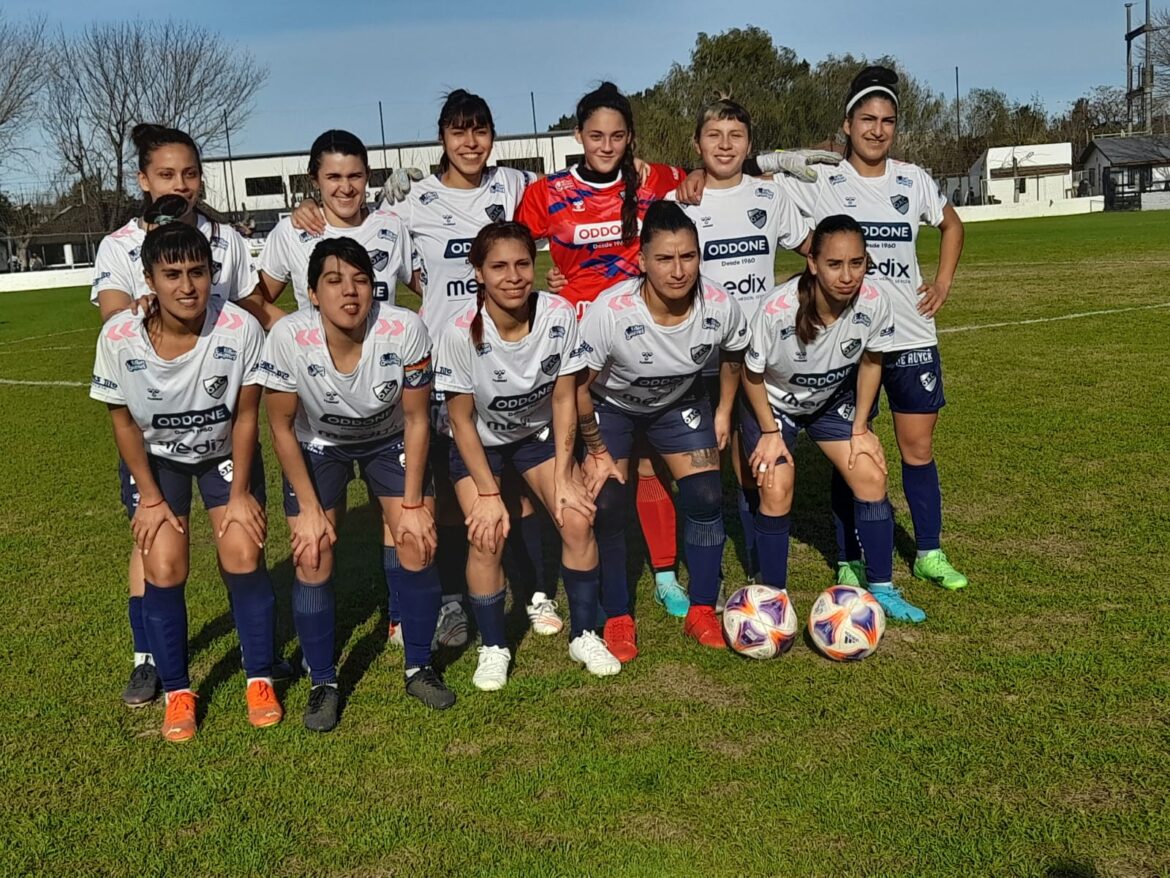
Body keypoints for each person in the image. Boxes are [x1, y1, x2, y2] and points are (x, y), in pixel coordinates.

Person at [291, 94, 554, 648]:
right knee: (447, 484)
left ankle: (532, 588)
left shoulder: (514, 187)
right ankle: (454, 599)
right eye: (459, 132)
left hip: (505, 353)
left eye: (481, 130)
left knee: (517, 486)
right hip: (442, 364)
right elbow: (405, 272)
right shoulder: (409, 206)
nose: (471, 142)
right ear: (442, 138)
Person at [771, 66, 968, 607]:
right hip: (847, 343)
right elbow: (752, 177)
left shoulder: (914, 179)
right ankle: (849, 558)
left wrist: (943, 280)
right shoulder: (823, 179)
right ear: (847, 124)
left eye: (887, 121)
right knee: (853, 448)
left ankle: (928, 550)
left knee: (917, 449)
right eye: (867, 119)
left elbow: (952, 225)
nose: (877, 130)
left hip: (909, 334)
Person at [90, 123, 262, 707]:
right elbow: (117, 317)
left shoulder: (225, 239)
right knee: (154, 542)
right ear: (143, 180)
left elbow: (247, 305)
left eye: (190, 174)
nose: (180, 185)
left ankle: (258, 658)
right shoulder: (119, 244)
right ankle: (150, 660)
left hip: (215, 410)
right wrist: (149, 308)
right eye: (166, 174)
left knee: (240, 542)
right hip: (158, 420)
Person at [515, 81, 693, 616]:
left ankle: (663, 574)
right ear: (578, 136)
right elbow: (514, 250)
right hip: (573, 345)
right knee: (558, 461)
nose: (607, 145)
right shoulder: (547, 192)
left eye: (617, 136)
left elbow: (701, 176)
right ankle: (549, 584)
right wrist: (547, 282)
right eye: (596, 135)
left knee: (641, 464)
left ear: (630, 138)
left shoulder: (650, 180)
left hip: (638, 339)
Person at [259, 237, 452, 727]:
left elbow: (416, 419)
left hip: (389, 438)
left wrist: (412, 504)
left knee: (417, 538)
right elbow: (280, 426)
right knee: (311, 550)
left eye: (361, 280)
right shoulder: (287, 337)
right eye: (334, 281)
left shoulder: (404, 329)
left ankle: (419, 666)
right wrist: (306, 509)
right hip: (318, 444)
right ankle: (323, 679)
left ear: (375, 288)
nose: (350, 292)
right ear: (311, 293)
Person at [434, 222, 620, 689]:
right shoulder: (459, 332)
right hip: (478, 443)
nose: (513, 276)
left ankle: (584, 633)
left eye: (522, 264)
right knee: (487, 532)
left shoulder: (558, 313)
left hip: (536, 435)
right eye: (498, 266)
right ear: (478, 272)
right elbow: (458, 421)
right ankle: (494, 646)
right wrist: (489, 492)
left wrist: (563, 473)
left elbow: (564, 400)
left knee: (577, 517)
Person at [575, 201, 749, 659]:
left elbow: (734, 355)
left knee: (708, 497)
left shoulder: (719, 304)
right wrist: (594, 448)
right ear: (643, 261)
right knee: (609, 502)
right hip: (612, 408)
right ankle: (616, 615)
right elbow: (575, 389)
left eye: (688, 257)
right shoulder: (612, 310)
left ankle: (702, 610)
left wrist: (725, 410)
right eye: (665, 259)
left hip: (680, 403)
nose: (678, 271)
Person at [740, 214, 924, 621]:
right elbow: (750, 376)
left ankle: (882, 589)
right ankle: (773, 598)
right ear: (813, 263)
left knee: (871, 475)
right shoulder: (778, 309)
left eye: (856, 263)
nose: (847, 276)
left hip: (828, 401)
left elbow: (873, 361)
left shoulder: (874, 302)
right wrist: (769, 431)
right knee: (777, 485)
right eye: (835, 264)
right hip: (774, 405)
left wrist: (860, 428)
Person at [667, 97, 811, 591]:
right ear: (697, 144)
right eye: (714, 135)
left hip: (754, 358)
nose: (725, 145)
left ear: (750, 145)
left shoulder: (769, 197)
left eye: (736, 136)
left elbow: (815, 251)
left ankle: (755, 565)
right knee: (700, 474)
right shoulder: (680, 201)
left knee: (751, 465)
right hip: (696, 356)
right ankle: (696, 572)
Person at [248, 129, 416, 326]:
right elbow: (255, 301)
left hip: (383, 355)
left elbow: (436, 288)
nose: (346, 188)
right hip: (314, 357)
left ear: (367, 175)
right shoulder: (291, 231)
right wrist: (296, 335)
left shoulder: (392, 226)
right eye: (334, 177)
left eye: (355, 176)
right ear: (315, 180)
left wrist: (424, 192)